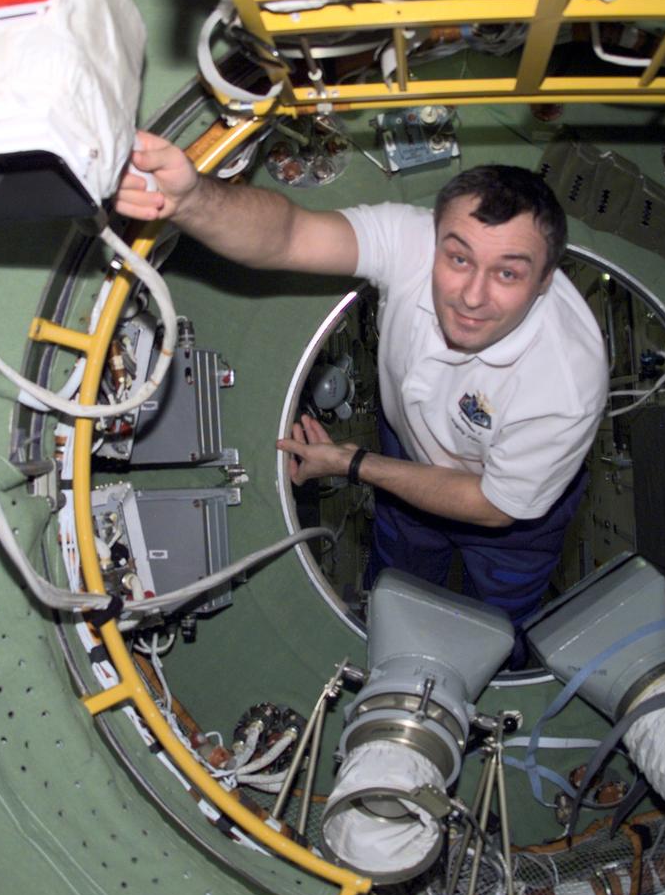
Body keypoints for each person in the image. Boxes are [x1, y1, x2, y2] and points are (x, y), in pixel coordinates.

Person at [116, 130, 607, 651]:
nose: (472, 295)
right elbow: (289, 235)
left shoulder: (564, 384)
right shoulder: (413, 242)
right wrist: (192, 199)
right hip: (410, 450)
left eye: (508, 273)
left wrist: (352, 463)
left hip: (509, 518)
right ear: (435, 241)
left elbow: (493, 505)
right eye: (459, 259)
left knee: (501, 627)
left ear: (545, 280)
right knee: (398, 587)